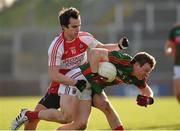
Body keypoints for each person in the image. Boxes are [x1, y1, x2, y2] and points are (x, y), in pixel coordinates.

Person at [11, 7, 129, 130]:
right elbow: (54, 75)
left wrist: (119, 46)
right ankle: (28, 115)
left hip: (85, 79)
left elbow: (102, 47)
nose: (78, 30)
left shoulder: (84, 37)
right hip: (63, 83)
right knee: (33, 120)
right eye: (74, 27)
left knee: (102, 108)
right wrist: (76, 82)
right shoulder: (57, 46)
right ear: (64, 27)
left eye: (79, 25)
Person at [11, 49, 156, 130]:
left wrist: (149, 99)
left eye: (149, 72)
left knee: (81, 124)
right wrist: (94, 75)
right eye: (146, 70)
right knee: (66, 117)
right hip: (78, 79)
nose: (146, 74)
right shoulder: (123, 59)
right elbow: (93, 53)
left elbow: (146, 89)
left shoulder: (138, 77)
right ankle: (28, 114)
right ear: (136, 64)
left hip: (91, 86)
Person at [165, 23, 180, 103]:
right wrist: (168, 50)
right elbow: (168, 45)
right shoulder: (175, 30)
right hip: (178, 65)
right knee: (178, 94)